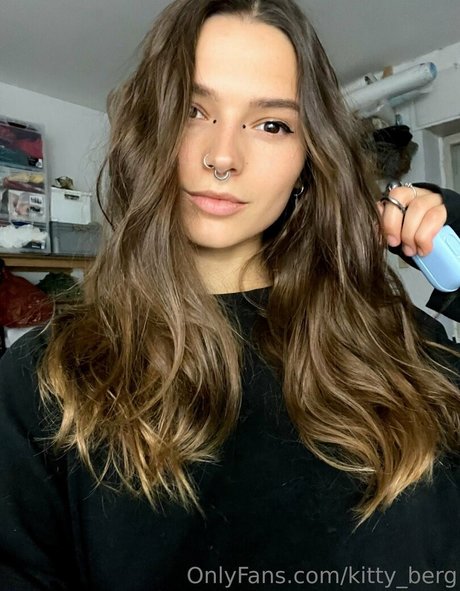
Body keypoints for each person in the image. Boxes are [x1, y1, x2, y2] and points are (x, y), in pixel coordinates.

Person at [1, 1, 460, 589]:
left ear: (308, 157)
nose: (222, 156)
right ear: (149, 128)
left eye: (272, 125)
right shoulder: (44, 382)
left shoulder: (399, 341)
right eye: (193, 110)